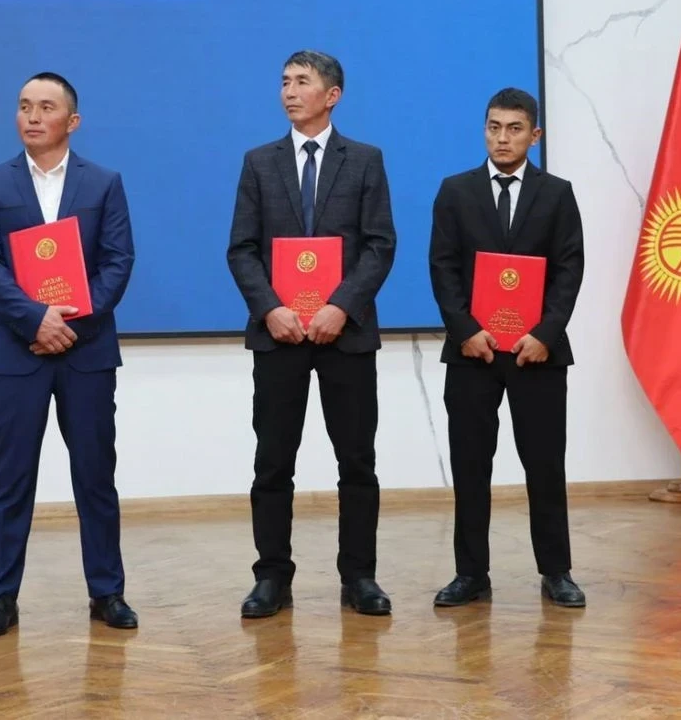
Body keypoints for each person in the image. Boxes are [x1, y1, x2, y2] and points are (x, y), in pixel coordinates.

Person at [0, 72, 138, 637]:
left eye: (45, 107)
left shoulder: (104, 183)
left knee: (95, 476)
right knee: (10, 478)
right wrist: (34, 320)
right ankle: (0, 599)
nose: (32, 116)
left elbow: (117, 261)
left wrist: (69, 323)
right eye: (24, 107)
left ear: (73, 121)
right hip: (18, 353)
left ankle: (107, 592)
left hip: (86, 352)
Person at [227, 50, 397, 617]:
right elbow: (242, 248)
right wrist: (271, 308)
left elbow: (380, 245)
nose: (289, 91)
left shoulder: (365, 160)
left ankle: (360, 576)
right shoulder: (259, 162)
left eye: (302, 82)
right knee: (273, 462)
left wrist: (341, 307)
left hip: (345, 335)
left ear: (333, 95)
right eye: (284, 82)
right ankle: (272, 576)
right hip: (279, 336)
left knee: (357, 461)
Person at [427, 87, 586, 608]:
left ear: (534, 135)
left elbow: (569, 269)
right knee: (471, 466)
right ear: (484, 130)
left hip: (536, 354)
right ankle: (471, 573)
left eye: (514, 129)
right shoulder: (455, 191)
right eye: (494, 127)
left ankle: (556, 571)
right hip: (472, 352)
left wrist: (545, 334)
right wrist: (465, 330)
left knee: (545, 465)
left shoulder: (556, 193)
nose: (502, 138)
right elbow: (443, 267)